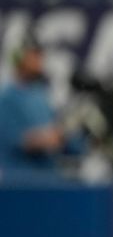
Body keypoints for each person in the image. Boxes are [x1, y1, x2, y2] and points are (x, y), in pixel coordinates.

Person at [0, 33, 85, 184]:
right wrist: (54, 137)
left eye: (40, 55)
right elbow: (20, 140)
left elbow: (62, 136)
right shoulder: (6, 99)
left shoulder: (41, 96)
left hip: (49, 182)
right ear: (19, 58)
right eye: (34, 55)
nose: (40, 60)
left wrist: (77, 135)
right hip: (19, 186)